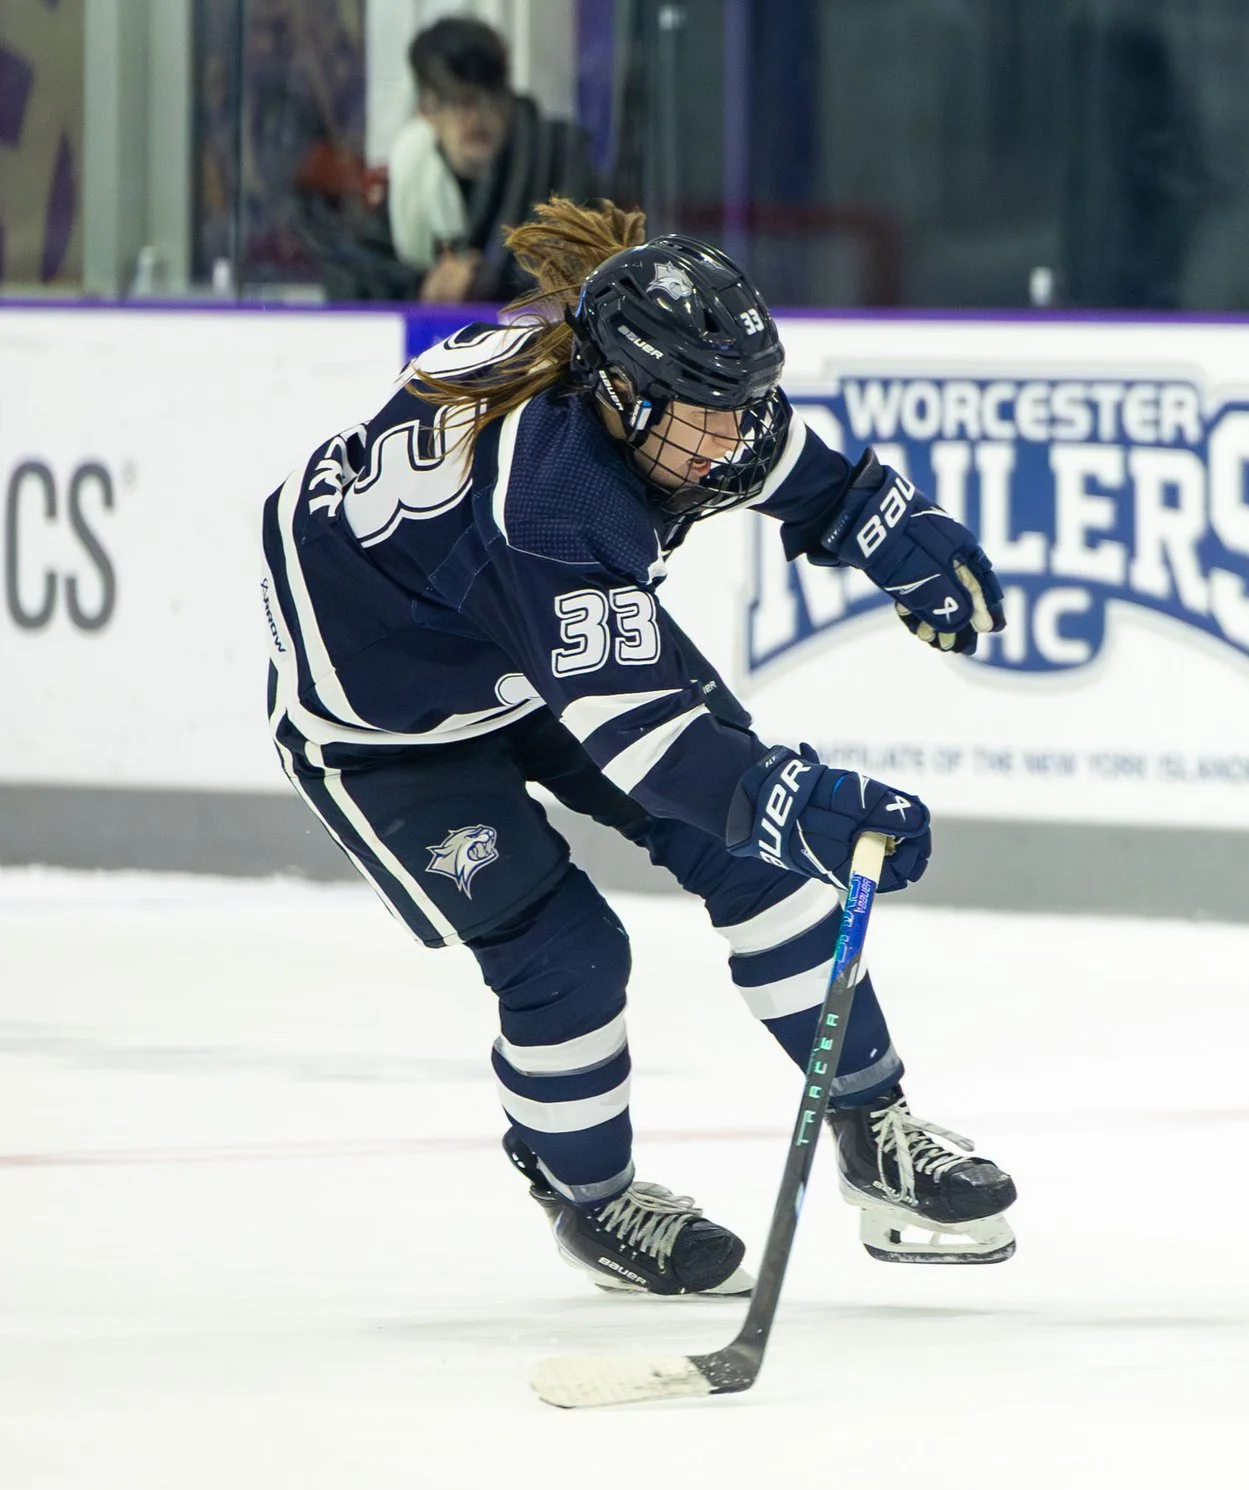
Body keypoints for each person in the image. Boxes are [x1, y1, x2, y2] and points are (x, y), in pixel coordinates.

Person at [262, 198, 1016, 1294]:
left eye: (739, 402)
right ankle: (589, 1195)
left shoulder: (653, 390)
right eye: (703, 413)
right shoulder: (554, 501)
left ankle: (873, 1122)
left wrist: (879, 522)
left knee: (760, 854)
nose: (730, 436)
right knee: (566, 953)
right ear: (618, 393)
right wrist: (798, 803)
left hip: (509, 636)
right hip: (390, 721)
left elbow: (772, 455)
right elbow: (649, 744)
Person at [324, 16, 598, 303]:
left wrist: (487, 283)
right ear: (426, 109)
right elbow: (349, 271)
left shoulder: (555, 156)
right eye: (457, 100)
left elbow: (580, 265)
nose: (475, 116)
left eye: (487, 97)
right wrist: (423, 285)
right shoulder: (414, 174)